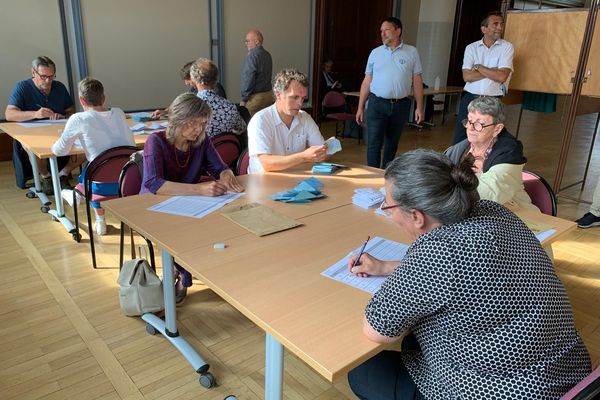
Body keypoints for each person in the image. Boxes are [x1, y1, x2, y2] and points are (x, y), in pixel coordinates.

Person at [347, 149, 591, 399]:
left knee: (362, 372)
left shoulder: (440, 251)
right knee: (413, 342)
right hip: (567, 373)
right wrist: (385, 268)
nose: (387, 211)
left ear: (417, 216)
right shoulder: (492, 211)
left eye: (388, 206)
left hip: (502, 391)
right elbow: (464, 274)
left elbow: (376, 329)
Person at [141, 93, 244, 301]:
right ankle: (180, 271)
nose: (198, 130)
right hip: (154, 205)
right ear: (178, 120)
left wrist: (226, 174)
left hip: (188, 202)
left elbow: (218, 167)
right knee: (180, 232)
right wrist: (200, 190)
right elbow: (154, 183)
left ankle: (197, 268)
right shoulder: (156, 141)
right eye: (193, 124)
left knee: (219, 221)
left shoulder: (201, 141)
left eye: (203, 124)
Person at [51, 78, 135, 235]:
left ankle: (98, 219)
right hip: (128, 180)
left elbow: (59, 151)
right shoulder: (118, 112)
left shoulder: (78, 118)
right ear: (104, 98)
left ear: (81, 100)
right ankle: (78, 193)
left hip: (100, 185)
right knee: (102, 165)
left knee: (94, 168)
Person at [445, 96, 537, 211]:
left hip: (513, 214)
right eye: (469, 121)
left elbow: (488, 195)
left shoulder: (509, 153)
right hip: (472, 211)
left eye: (479, 124)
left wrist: (443, 191)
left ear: (497, 129)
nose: (470, 128)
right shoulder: (459, 149)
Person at [356, 17, 424, 169]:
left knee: (392, 144)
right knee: (373, 144)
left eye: (386, 30)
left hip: (400, 105)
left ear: (398, 31)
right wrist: (360, 107)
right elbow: (367, 81)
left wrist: (419, 107)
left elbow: (417, 80)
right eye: (381, 31)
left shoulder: (412, 52)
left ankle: (386, 175)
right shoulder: (375, 53)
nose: (382, 34)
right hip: (376, 104)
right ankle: (372, 176)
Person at [5, 56, 79, 192]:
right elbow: (9, 114)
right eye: (44, 76)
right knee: (32, 146)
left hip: (57, 132)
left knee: (87, 141)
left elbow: (71, 111)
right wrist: (35, 114)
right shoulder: (22, 87)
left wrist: (62, 116)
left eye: (51, 76)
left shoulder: (59, 87)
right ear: (34, 73)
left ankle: (62, 174)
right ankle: (46, 177)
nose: (48, 81)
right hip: (33, 133)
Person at [247, 68, 327, 173]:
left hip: (295, 178)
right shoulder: (260, 120)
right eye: (294, 97)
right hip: (264, 182)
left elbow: (323, 154)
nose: (300, 103)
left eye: (303, 98)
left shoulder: (305, 117)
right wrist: (303, 157)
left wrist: (326, 150)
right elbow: (266, 164)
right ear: (278, 95)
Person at [452, 12, 514, 145]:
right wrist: (493, 70)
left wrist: (478, 67)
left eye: (501, 24)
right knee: (462, 135)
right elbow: (467, 76)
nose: (499, 27)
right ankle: (455, 164)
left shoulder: (507, 47)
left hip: (493, 99)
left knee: (488, 136)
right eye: (495, 24)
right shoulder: (471, 48)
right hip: (470, 98)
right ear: (484, 29)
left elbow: (502, 76)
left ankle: (483, 163)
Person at [190, 58, 246, 138]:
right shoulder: (229, 106)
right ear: (216, 80)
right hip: (225, 150)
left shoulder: (190, 108)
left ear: (193, 79)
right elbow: (242, 128)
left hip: (200, 150)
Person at [151, 61, 226, 119]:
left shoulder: (216, 90)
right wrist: (166, 111)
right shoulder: (194, 90)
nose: (186, 83)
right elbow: (183, 104)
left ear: (195, 76)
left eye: (187, 79)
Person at [240, 30, 273, 116]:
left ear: (257, 42)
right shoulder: (267, 55)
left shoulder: (252, 56)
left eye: (248, 41)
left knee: (248, 125)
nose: (246, 43)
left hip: (256, 99)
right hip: (269, 96)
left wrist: (244, 99)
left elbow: (248, 79)